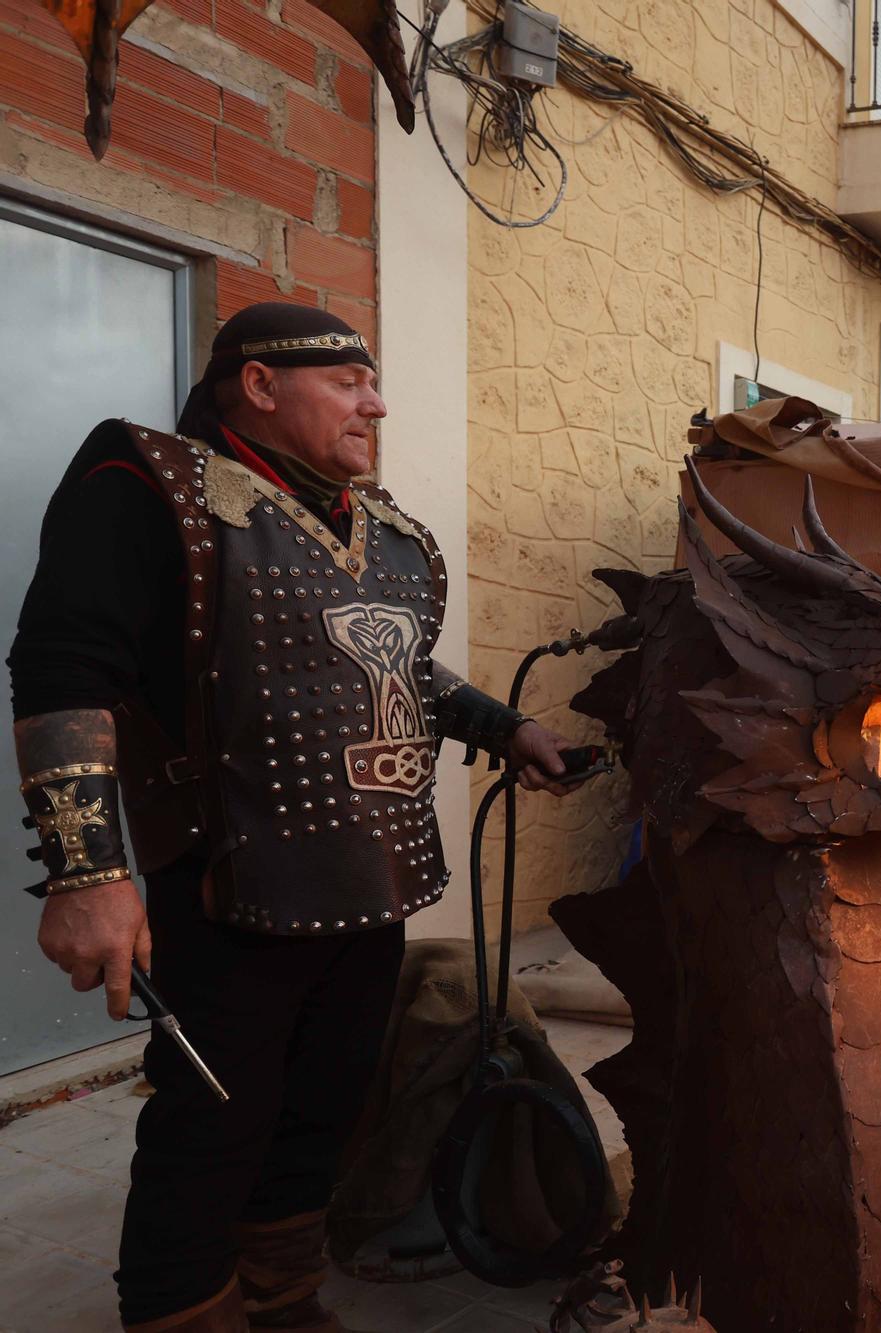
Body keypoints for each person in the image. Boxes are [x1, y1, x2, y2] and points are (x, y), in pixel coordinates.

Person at [9, 302, 586, 1332]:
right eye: (347, 380)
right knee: (213, 1125)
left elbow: (396, 664)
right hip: (233, 882)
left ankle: (280, 1298)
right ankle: (181, 1313)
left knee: (322, 1108)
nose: (375, 402)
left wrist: (506, 730)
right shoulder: (148, 484)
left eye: (373, 381)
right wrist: (88, 872)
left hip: (373, 878)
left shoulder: (382, 527)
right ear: (260, 385)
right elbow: (64, 670)